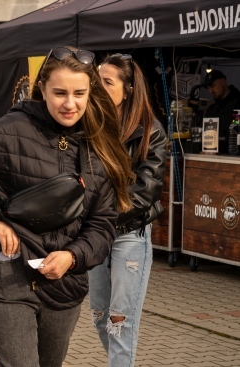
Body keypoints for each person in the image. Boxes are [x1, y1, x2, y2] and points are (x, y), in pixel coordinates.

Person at [0, 46, 135, 367]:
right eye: (59, 93)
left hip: (65, 287)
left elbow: (102, 225)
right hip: (10, 282)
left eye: (79, 93)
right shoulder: (8, 131)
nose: (70, 104)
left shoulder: (100, 143)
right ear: (41, 88)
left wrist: (72, 257)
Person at [89, 53, 167, 367]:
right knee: (98, 315)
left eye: (106, 82)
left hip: (129, 235)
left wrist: (101, 217)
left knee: (120, 322)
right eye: (96, 81)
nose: (98, 87)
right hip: (95, 236)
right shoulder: (89, 124)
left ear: (128, 89)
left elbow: (146, 191)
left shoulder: (151, 130)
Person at [202, 70, 240, 154]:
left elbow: (236, 129)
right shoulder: (211, 110)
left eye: (213, 86)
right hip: (216, 160)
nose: (210, 91)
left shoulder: (238, 104)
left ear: (223, 82)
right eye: (208, 88)